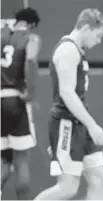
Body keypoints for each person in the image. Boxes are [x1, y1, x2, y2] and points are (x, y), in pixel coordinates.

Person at [34, 8, 103, 200]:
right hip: (66, 124)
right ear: (86, 28)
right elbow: (66, 93)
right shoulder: (67, 50)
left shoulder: (77, 50)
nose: (98, 41)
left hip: (80, 124)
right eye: (98, 35)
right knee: (67, 189)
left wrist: (88, 125)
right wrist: (92, 125)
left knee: (98, 178)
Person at [1, 7, 41, 199]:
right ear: (32, 24)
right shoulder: (30, 38)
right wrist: (30, 93)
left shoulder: (1, 34)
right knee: (22, 161)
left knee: (3, 159)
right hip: (14, 100)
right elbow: (31, 61)